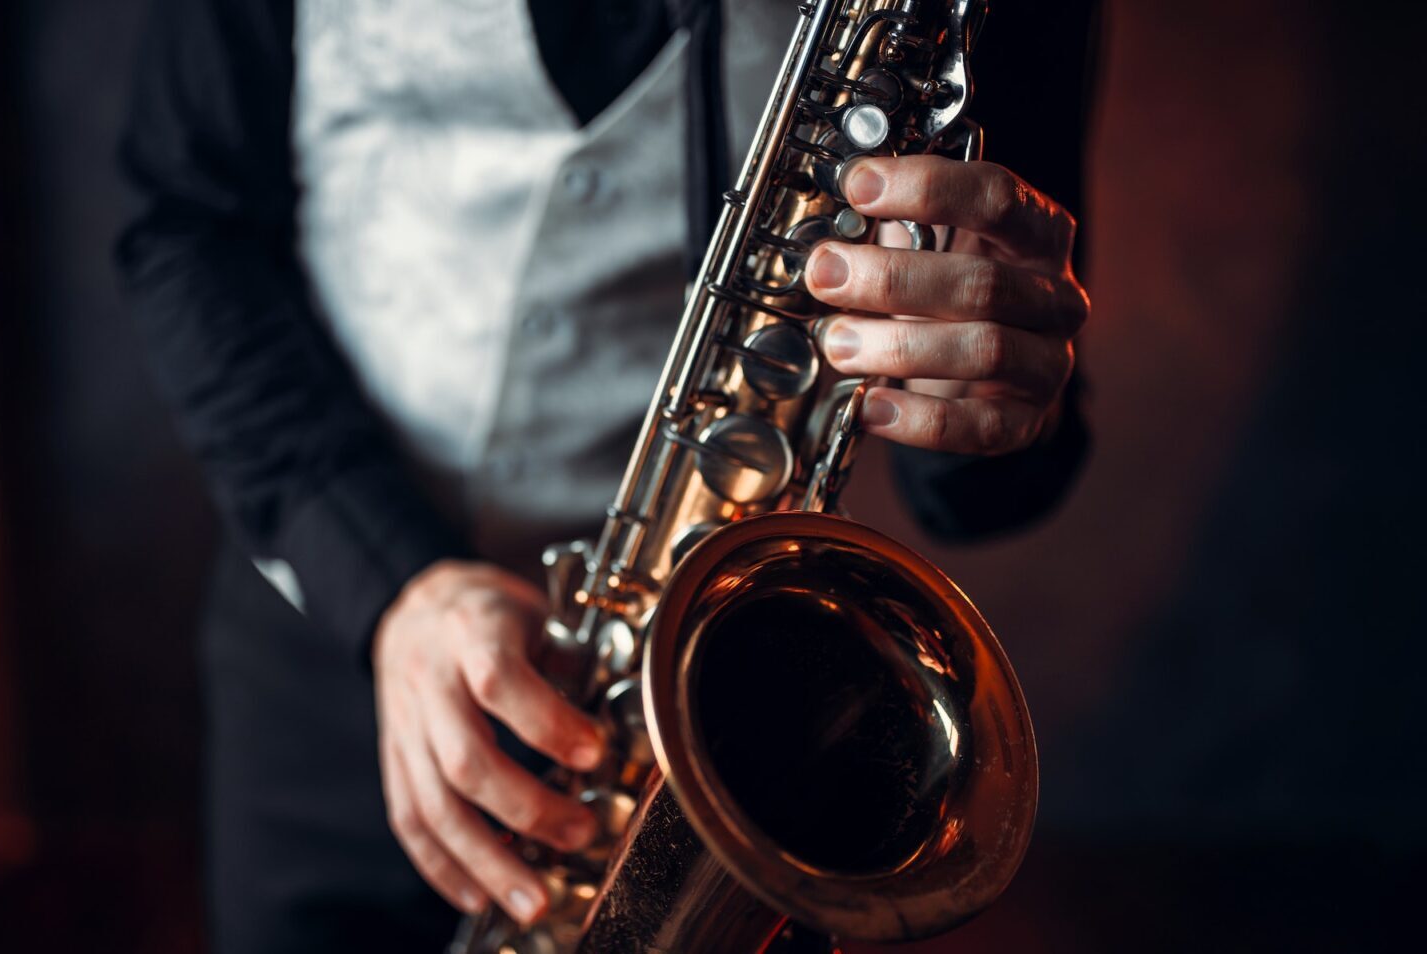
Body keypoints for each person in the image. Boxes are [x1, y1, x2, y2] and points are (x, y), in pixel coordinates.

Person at [116, 1, 1098, 950]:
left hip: (725, 706)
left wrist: (995, 387)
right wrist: (388, 579)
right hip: (323, 653)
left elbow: (979, 488)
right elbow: (184, 223)